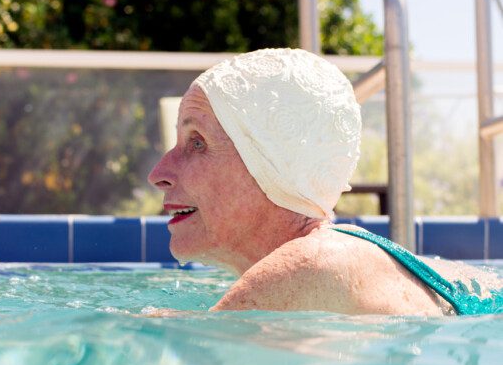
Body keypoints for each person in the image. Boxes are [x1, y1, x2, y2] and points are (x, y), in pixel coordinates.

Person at [148, 48, 502, 316]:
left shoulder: (308, 269)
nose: (159, 173)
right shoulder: (337, 259)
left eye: (197, 142)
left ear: (271, 160)